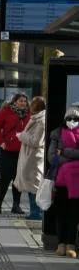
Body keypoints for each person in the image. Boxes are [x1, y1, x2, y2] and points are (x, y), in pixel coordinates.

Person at [0, 92, 31, 214]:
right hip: (8, 149)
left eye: (25, 101)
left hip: (23, 150)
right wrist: (0, 141)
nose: (23, 103)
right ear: (15, 102)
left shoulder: (30, 113)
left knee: (18, 179)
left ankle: (16, 205)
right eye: (21, 101)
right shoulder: (6, 111)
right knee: (5, 178)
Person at [47, 103, 79, 257]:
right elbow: (52, 156)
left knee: (74, 214)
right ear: (65, 118)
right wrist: (72, 159)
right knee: (60, 213)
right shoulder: (57, 133)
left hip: (77, 180)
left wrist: (65, 152)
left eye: (75, 118)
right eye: (69, 118)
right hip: (60, 180)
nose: (72, 120)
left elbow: (60, 154)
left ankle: (71, 245)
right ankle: (61, 244)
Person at [16, 96, 47, 221]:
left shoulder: (41, 121)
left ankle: (37, 213)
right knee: (31, 184)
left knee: (35, 185)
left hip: (34, 157)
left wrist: (21, 136)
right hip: (31, 156)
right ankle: (34, 212)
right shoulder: (36, 119)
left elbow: (36, 140)